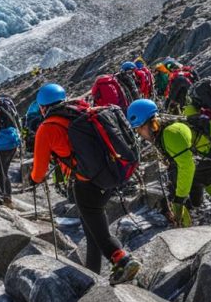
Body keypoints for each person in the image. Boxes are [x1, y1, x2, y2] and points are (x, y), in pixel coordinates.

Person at [30, 83, 141, 284]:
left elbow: (38, 174)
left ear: (42, 107)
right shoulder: (81, 110)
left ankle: (122, 259)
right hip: (107, 177)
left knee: (98, 229)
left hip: (86, 184)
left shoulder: (47, 128)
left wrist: (33, 179)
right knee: (92, 230)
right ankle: (93, 274)